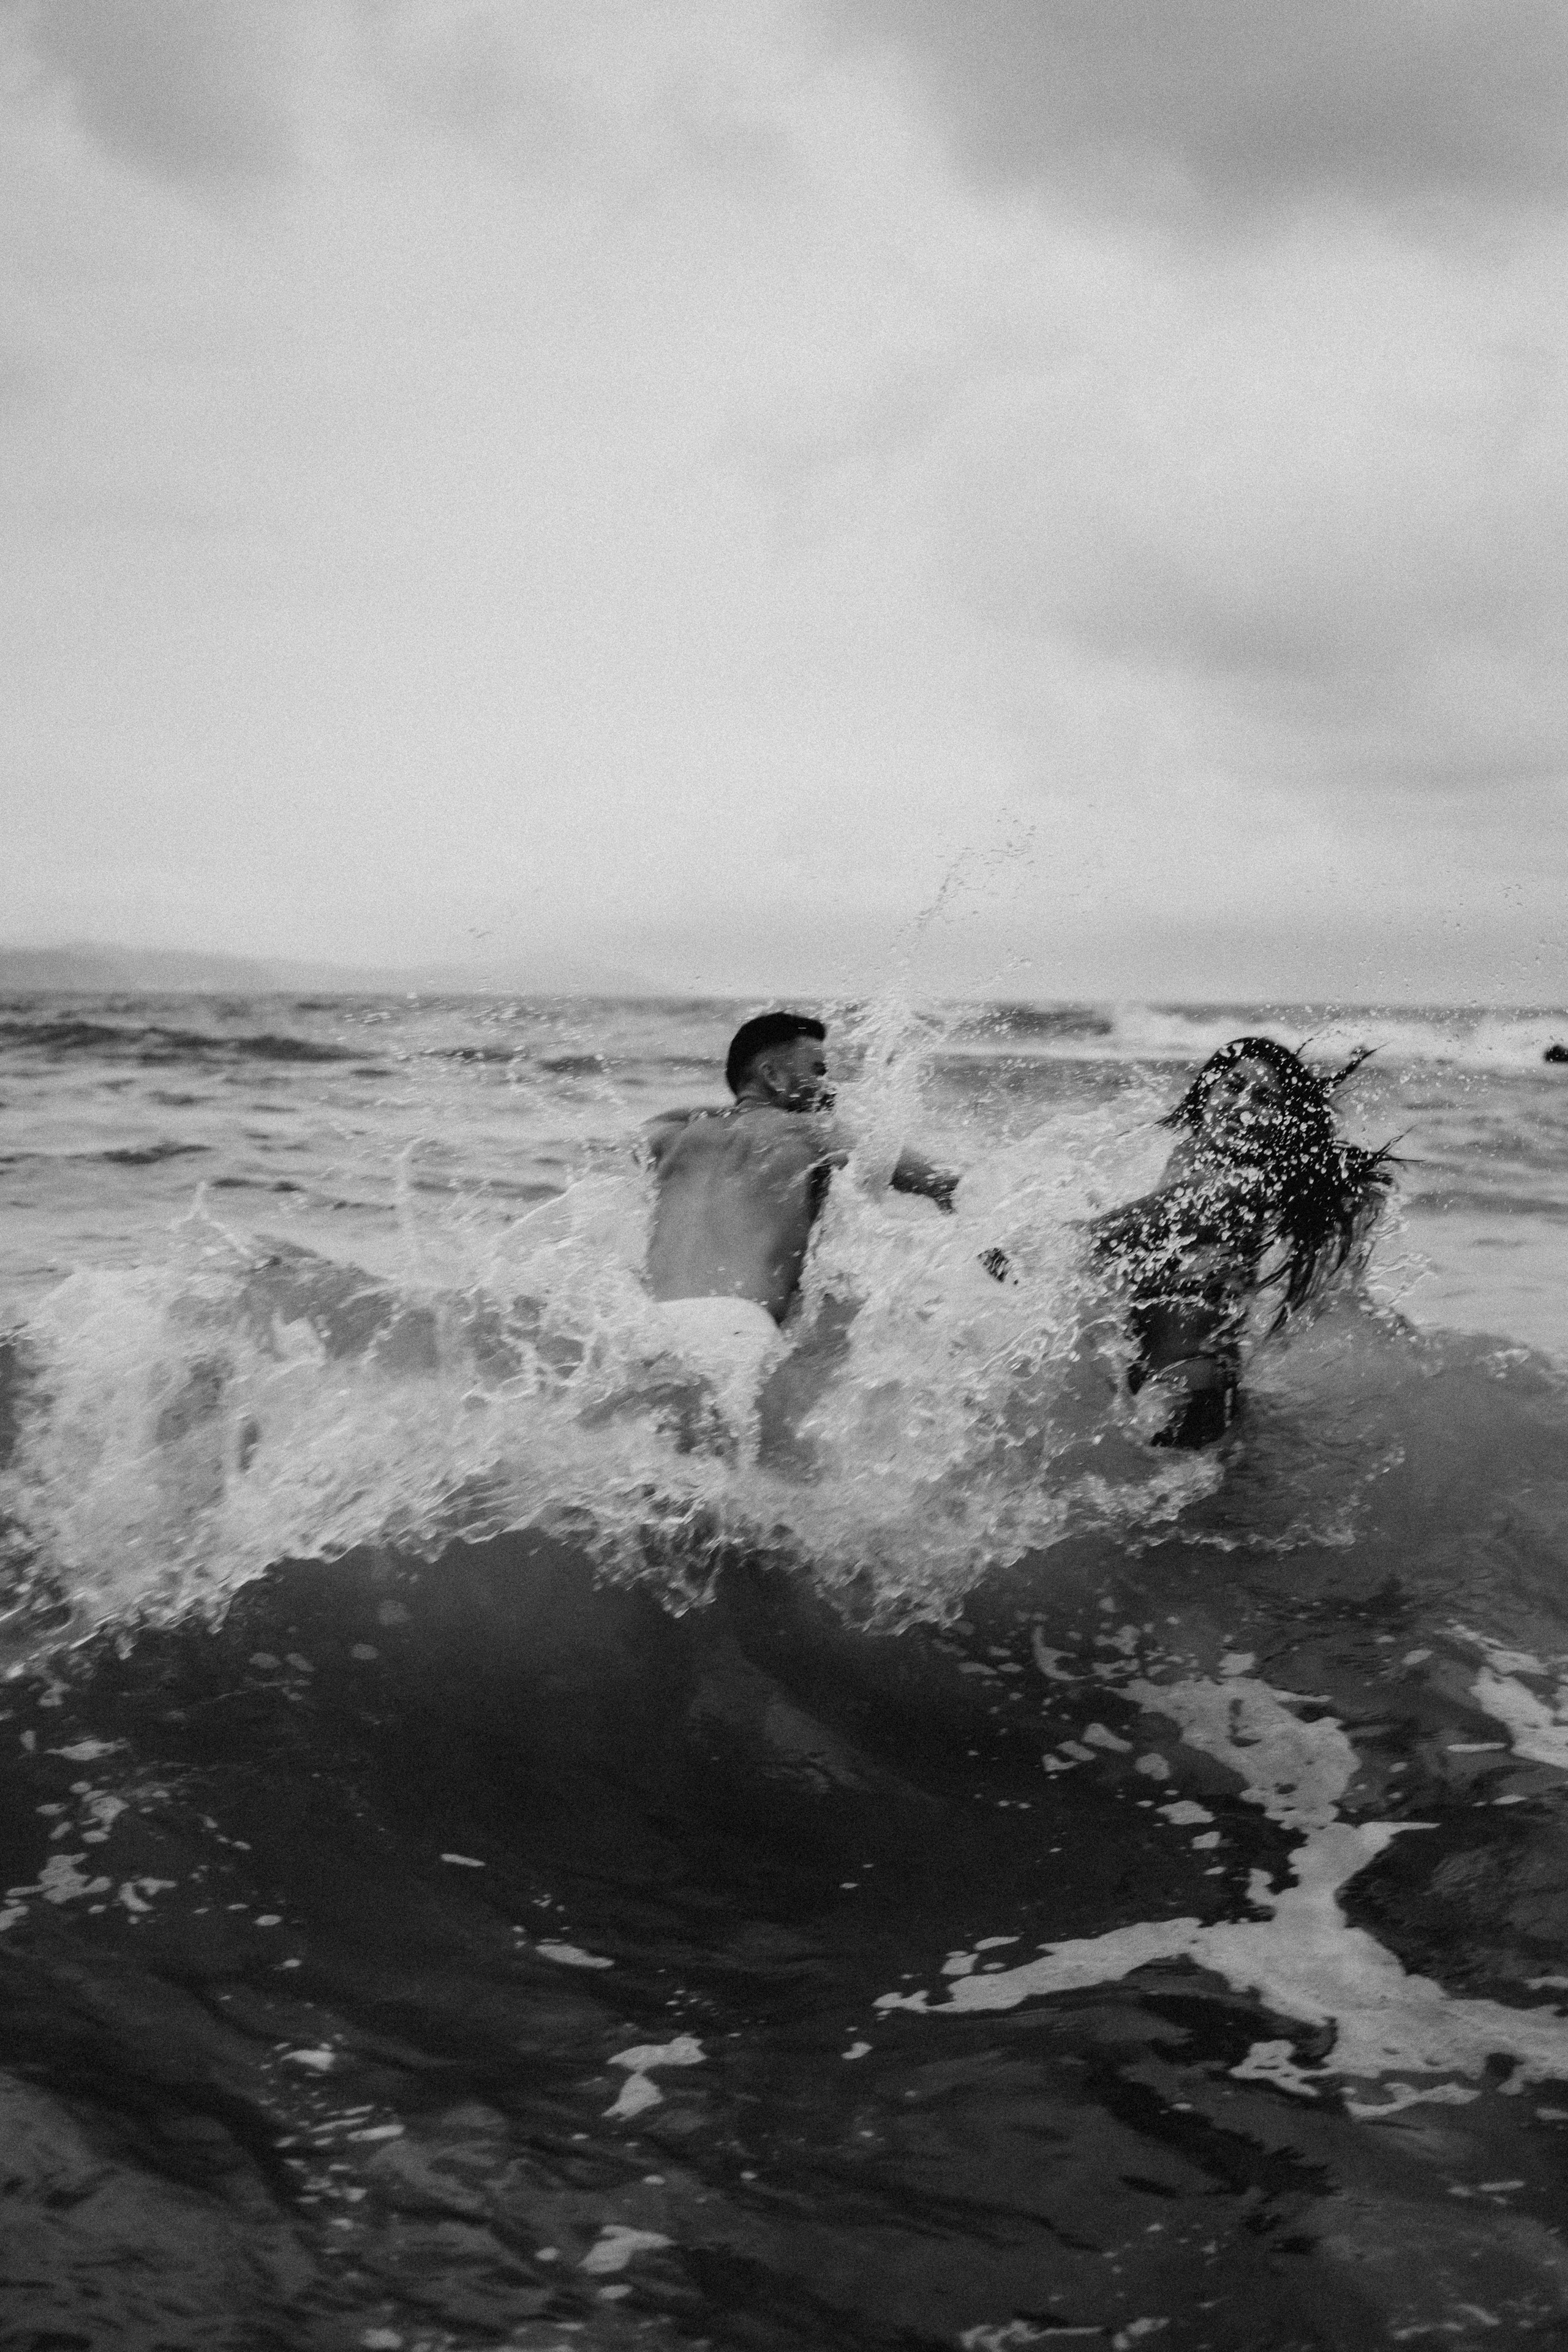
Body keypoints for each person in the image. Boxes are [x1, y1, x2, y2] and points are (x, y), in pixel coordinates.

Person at [638, 1011, 958, 1449]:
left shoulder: (672, 1138)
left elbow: (646, 1130)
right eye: (817, 1071)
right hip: (735, 1331)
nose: (829, 1088)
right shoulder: (813, 1134)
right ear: (771, 1074)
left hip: (648, 1330)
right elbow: (942, 1182)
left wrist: (741, 1110)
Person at [1088, 1036, 1393, 1447]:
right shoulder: (1191, 1156)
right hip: (1182, 1381)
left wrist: (1016, 1246)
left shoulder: (1234, 1187)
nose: (1242, 1104)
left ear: (1281, 1121)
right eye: (1233, 1087)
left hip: (1186, 1393)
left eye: (1263, 1098)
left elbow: (1103, 1239)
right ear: (1208, 1088)